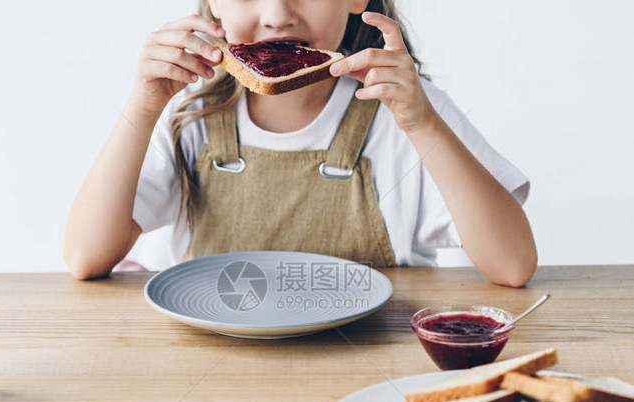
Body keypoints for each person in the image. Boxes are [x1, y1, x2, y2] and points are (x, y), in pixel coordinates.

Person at [64, 0, 537, 287]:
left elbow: (513, 266)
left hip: (369, 361)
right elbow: (86, 257)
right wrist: (143, 107)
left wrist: (424, 124)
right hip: (210, 369)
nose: (276, 16)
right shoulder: (187, 109)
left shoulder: (404, 107)